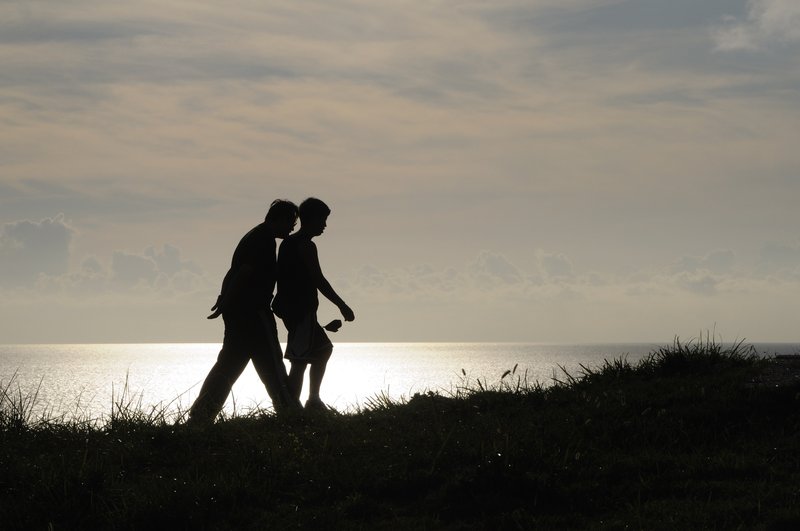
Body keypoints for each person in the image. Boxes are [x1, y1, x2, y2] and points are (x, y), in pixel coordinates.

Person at [188, 200, 302, 425]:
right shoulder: (263, 240)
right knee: (272, 364)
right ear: (278, 218)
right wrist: (225, 302)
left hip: (238, 313)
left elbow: (232, 272)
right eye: (291, 222)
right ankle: (290, 413)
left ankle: (200, 416)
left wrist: (224, 301)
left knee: (229, 364)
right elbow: (243, 272)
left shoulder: (255, 236)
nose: (292, 228)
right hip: (253, 313)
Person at [272, 197, 355, 410]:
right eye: (323, 220)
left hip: (296, 311)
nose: (325, 225)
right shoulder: (305, 245)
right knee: (299, 361)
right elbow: (318, 279)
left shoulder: (288, 244)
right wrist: (341, 305)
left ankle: (310, 400)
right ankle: (294, 407)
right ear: (311, 219)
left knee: (322, 350)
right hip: (301, 312)